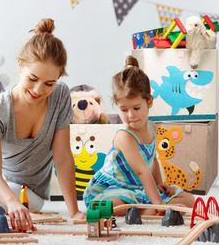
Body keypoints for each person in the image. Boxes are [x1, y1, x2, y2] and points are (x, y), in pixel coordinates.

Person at [0, 18, 84, 232]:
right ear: (20, 65)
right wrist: (10, 202)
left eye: (49, 83)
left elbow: (62, 157)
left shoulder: (61, 95)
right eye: (32, 78)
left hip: (26, 188)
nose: (38, 89)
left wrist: (73, 211)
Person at [83, 56, 195, 215]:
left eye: (136, 108)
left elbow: (153, 160)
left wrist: (159, 186)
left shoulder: (152, 127)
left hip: (138, 187)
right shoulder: (125, 137)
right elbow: (142, 171)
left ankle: (146, 209)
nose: (130, 115)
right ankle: (147, 211)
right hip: (114, 188)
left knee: (189, 200)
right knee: (113, 204)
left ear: (149, 102)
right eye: (124, 110)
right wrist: (158, 203)